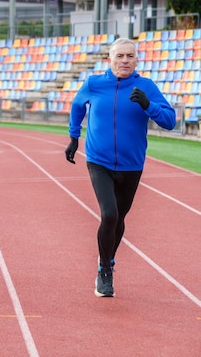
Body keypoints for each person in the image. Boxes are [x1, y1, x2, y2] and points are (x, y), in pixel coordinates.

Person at [64, 37, 175, 298]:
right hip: (98, 160)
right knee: (110, 214)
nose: (125, 61)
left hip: (131, 164)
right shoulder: (94, 84)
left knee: (120, 219)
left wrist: (149, 105)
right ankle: (105, 271)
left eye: (130, 56)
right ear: (110, 59)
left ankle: (109, 259)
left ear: (136, 60)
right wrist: (73, 137)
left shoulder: (145, 86)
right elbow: (77, 106)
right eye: (120, 56)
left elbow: (169, 120)